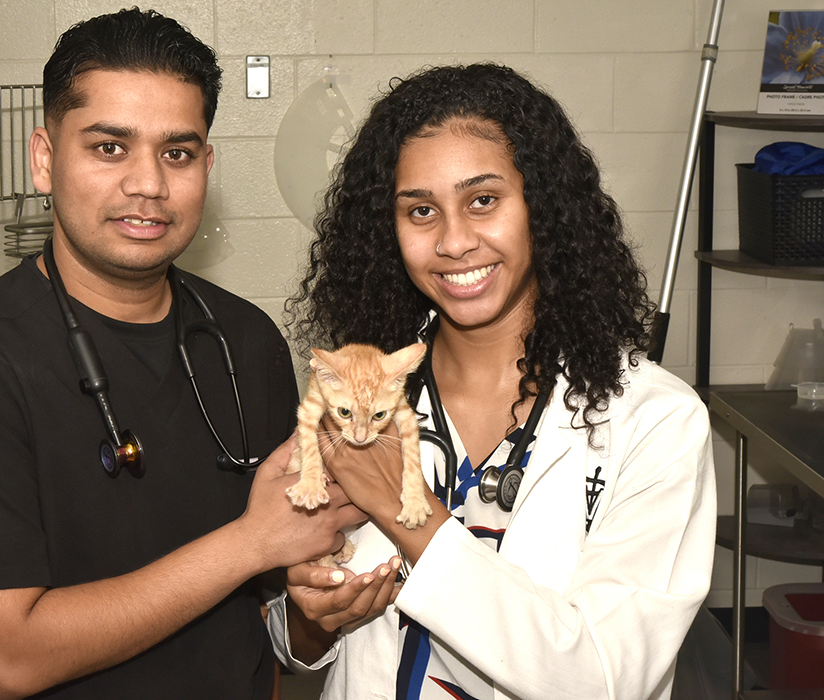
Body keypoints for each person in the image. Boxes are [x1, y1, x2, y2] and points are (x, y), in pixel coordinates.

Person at [0, 8, 364, 700]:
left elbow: (270, 614)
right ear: (45, 159)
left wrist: (321, 618)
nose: (149, 184)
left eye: (177, 152)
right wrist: (249, 542)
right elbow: (9, 659)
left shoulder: (244, 343)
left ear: (207, 164)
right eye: (110, 147)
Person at [269, 63, 717, 700]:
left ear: (542, 205)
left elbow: (602, 679)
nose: (454, 241)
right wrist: (311, 626)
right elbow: (299, 639)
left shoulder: (655, 422)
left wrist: (407, 516)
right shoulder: (358, 400)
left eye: (483, 200)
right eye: (420, 211)